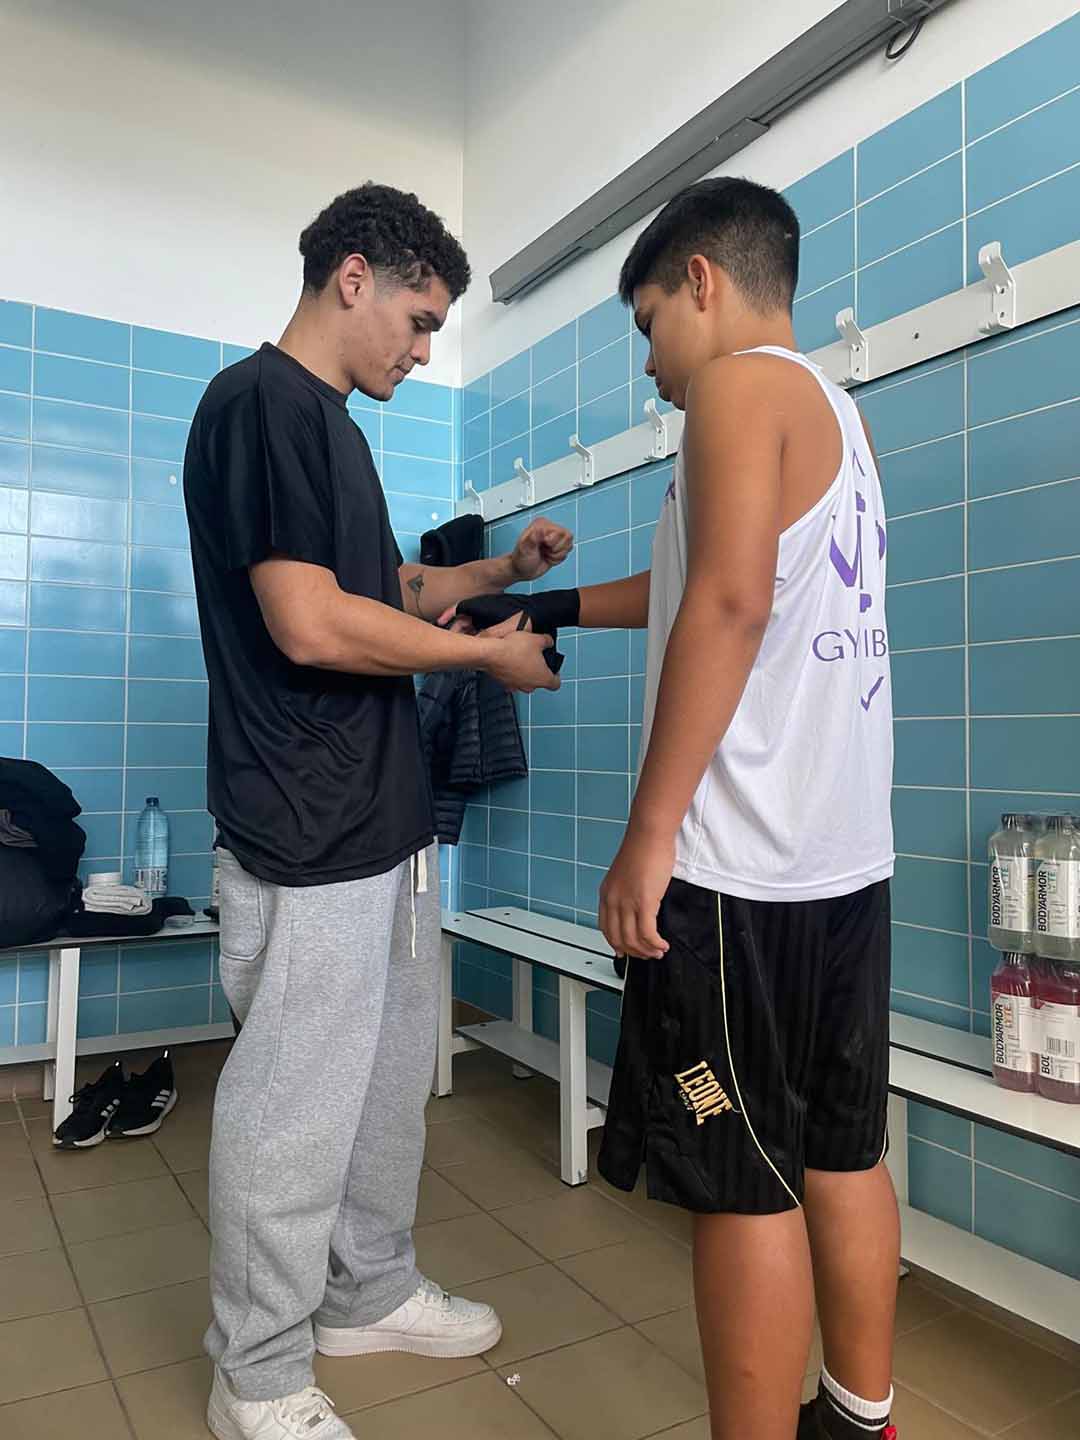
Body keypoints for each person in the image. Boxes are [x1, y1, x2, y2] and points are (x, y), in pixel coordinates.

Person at [184, 182, 572, 1440]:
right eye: (420, 320)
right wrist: (485, 657)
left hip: (385, 823)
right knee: (293, 1109)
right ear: (354, 276)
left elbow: (384, 587)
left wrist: (497, 574)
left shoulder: (335, 428)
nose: (423, 349)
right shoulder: (259, 405)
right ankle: (258, 1372)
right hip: (304, 826)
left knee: (387, 1082)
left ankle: (367, 1293)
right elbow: (309, 622)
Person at [572, 178, 897, 1440]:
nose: (651, 364)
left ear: (701, 282)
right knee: (842, 1153)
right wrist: (536, 607)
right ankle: (861, 1417)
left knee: (741, 1183)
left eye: (649, 323)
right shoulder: (836, 414)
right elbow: (699, 579)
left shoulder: (732, 392)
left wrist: (649, 832)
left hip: (736, 876)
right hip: (841, 867)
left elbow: (726, 604)